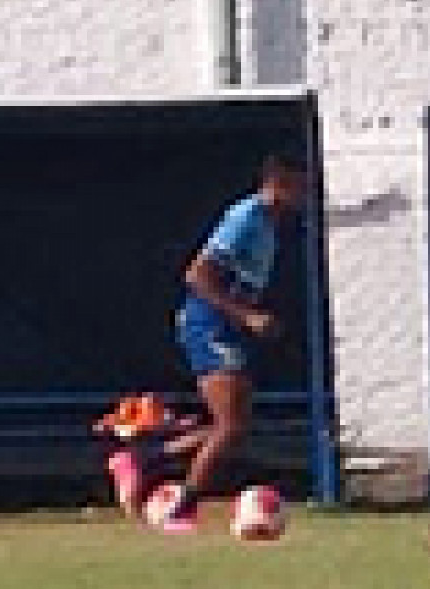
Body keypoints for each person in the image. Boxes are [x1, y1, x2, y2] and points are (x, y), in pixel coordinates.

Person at [111, 152, 310, 528]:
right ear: (278, 179)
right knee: (231, 427)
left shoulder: (269, 224)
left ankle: (143, 459)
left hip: (226, 325)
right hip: (210, 323)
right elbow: (197, 275)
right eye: (301, 184)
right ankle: (181, 507)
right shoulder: (246, 217)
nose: (306, 194)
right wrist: (246, 315)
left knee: (233, 426)